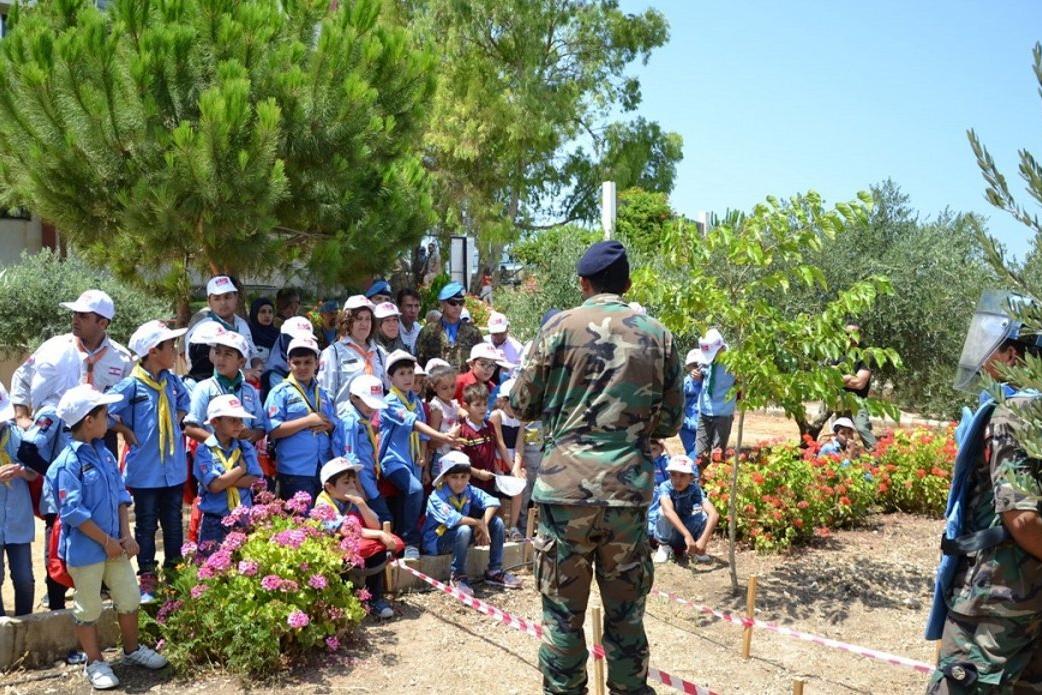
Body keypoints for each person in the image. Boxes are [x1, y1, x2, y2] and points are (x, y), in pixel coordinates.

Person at [511, 239, 683, 695]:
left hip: (564, 494)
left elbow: (521, 404)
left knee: (563, 615)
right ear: (627, 284)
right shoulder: (658, 334)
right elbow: (669, 419)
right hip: (627, 495)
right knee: (627, 614)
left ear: (584, 284)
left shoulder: (558, 328)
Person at [926, 290, 1042, 693]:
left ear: (1012, 356)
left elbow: (1023, 519)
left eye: (991, 344)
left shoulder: (1016, 414)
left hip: (995, 602)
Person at [52, 384, 168, 690]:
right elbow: (73, 513)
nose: (111, 418)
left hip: (115, 548)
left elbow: (119, 496)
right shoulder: (67, 464)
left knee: (129, 598)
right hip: (88, 552)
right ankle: (96, 662)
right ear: (89, 420)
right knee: (88, 607)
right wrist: (106, 541)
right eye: (105, 414)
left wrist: (126, 536)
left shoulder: (103, 453)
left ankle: (131, 651)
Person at [107, 320, 190, 601]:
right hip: (145, 471)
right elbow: (104, 411)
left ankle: (176, 572)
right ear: (154, 351)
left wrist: (175, 423)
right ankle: (147, 578)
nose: (174, 350)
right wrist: (124, 429)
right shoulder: (131, 386)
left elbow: (185, 404)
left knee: (173, 521)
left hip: (173, 469)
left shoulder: (173, 381)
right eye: (170, 346)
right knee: (145, 524)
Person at [11, 290, 133, 436]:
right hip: (51, 432)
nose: (75, 320)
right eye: (74, 314)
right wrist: (21, 416)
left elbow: (128, 403)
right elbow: (22, 377)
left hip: (100, 438)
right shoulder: (53, 347)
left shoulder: (121, 359)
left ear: (102, 323)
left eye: (83, 316)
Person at [380, 350, 459, 560]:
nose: (407, 378)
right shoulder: (389, 402)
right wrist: (444, 437)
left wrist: (424, 464)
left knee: (409, 498)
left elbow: (422, 438)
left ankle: (401, 543)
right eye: (401, 374)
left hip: (414, 462)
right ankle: (411, 542)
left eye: (409, 373)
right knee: (414, 491)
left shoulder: (415, 401)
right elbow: (416, 425)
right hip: (393, 460)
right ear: (390, 378)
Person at [421, 452, 522, 596]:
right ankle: (458, 575)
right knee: (464, 529)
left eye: (464, 476)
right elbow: (455, 519)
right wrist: (478, 524)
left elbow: (493, 502)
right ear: (445, 478)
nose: (460, 482)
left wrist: (484, 524)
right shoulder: (437, 496)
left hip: (461, 537)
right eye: (454, 477)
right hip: (437, 542)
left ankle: (494, 570)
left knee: (497, 522)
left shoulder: (468, 490)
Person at [315, 456, 403, 620]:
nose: (352, 486)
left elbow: (375, 525)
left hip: (353, 544)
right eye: (346, 482)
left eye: (353, 481)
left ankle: (374, 598)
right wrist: (380, 534)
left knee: (377, 548)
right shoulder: (323, 503)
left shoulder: (351, 499)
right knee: (343, 563)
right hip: (332, 549)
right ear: (329, 487)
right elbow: (346, 529)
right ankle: (341, 603)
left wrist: (362, 503)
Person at [264, 336, 341, 503]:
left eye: (307, 362)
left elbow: (336, 423)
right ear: (288, 363)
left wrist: (330, 425)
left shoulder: (324, 393)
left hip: (324, 467)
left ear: (317, 363)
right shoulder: (280, 392)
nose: (302, 367)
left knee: (324, 522)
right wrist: (308, 421)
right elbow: (273, 430)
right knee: (300, 523)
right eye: (297, 362)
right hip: (295, 470)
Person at [19, 399, 72, 610]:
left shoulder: (87, 406)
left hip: (84, 500)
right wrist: (54, 473)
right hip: (57, 503)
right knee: (57, 558)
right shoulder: (53, 411)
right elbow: (26, 451)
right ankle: (57, 610)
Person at [193, 394, 261, 550]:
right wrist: (240, 470)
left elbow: (254, 478)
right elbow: (214, 486)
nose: (239, 425)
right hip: (215, 519)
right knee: (212, 564)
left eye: (240, 420)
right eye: (232, 420)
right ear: (215, 422)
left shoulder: (245, 447)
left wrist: (225, 480)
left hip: (243, 517)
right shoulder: (205, 450)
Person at [184, 329, 265, 444]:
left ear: (241, 362)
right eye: (217, 352)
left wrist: (250, 435)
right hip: (214, 459)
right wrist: (221, 444)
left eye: (227, 354)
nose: (220, 358)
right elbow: (190, 428)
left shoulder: (250, 391)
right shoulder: (204, 388)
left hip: (243, 458)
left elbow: (260, 428)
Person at [0, 385, 37, 617]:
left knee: (24, 578)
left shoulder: (18, 435)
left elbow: (35, 472)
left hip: (18, 520)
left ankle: (25, 624)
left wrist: (24, 472)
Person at [318, 295, 388, 411]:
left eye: (368, 319)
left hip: (375, 424)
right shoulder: (333, 353)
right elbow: (325, 395)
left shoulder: (380, 353)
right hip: (345, 423)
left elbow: (389, 389)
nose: (364, 324)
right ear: (347, 321)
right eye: (358, 319)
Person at [337, 375, 391, 522]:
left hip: (369, 475)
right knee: (384, 518)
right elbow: (350, 457)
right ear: (354, 398)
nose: (372, 408)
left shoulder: (362, 418)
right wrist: (359, 488)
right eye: (368, 403)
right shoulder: (350, 421)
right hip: (361, 479)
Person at [648, 455, 718, 565]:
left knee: (703, 515)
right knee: (662, 511)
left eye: (682, 475)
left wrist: (703, 539)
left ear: (691, 477)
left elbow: (714, 514)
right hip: (669, 532)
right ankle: (664, 547)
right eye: (673, 475)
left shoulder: (695, 489)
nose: (677, 480)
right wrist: (687, 535)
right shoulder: (665, 487)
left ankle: (696, 549)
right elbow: (668, 511)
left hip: (684, 535)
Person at [183, 276, 259, 375]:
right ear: (209, 302)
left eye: (227, 297)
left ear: (236, 298)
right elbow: (204, 368)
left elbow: (252, 352)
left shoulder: (242, 324)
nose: (223, 303)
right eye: (217, 298)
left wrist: (258, 368)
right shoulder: (203, 329)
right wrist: (243, 374)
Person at [415, 281, 483, 372]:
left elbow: (481, 361)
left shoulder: (473, 332)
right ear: (442, 303)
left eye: (461, 303)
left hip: (466, 384)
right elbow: (420, 362)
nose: (457, 307)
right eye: (453, 303)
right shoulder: (428, 332)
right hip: (437, 383)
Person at [694, 328, 737, 468]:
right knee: (700, 455)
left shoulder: (734, 362)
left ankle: (715, 487)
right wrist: (697, 376)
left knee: (717, 455)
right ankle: (701, 487)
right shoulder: (704, 358)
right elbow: (703, 374)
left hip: (723, 413)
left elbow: (742, 384)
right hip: (704, 410)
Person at [839, 323, 877, 450]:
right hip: (841, 399)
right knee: (842, 431)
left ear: (860, 335)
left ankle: (877, 455)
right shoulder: (838, 353)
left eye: (854, 333)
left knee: (861, 428)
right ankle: (844, 460)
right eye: (847, 334)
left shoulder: (866, 355)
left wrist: (840, 378)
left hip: (859, 401)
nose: (850, 337)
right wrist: (850, 377)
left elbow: (860, 383)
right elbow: (830, 377)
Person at [260, 316, 315, 400]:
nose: (301, 344)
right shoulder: (276, 372)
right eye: (296, 340)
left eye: (305, 340)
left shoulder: (314, 362)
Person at [680, 349, 703, 458]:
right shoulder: (685, 384)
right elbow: (679, 404)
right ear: (688, 368)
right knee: (692, 453)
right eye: (692, 366)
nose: (696, 369)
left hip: (704, 424)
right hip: (687, 425)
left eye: (698, 365)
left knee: (704, 453)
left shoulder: (708, 382)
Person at [248, 297, 279, 368]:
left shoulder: (278, 335)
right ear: (255, 313)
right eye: (263, 311)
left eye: (270, 312)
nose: (267, 315)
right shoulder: (248, 334)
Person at [396, 289, 423, 354]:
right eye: (409, 306)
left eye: (416, 306)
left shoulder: (419, 329)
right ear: (399, 307)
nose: (413, 311)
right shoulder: (393, 328)